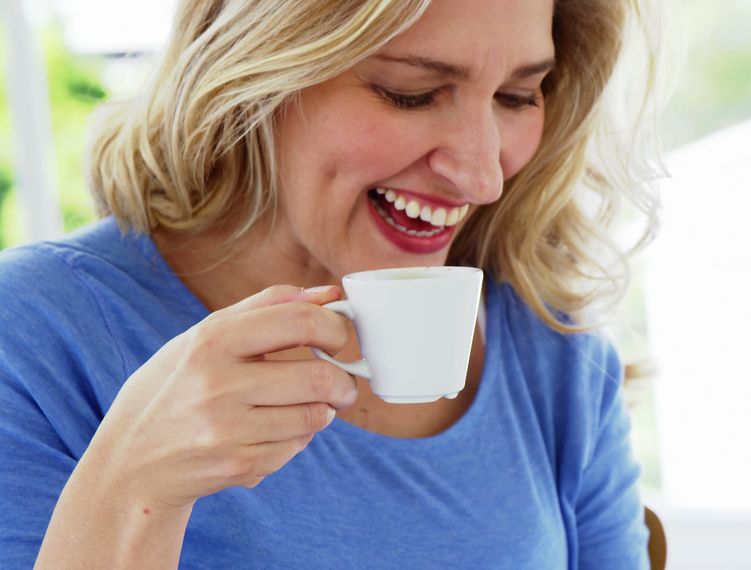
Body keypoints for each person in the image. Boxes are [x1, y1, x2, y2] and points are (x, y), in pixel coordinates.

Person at [0, 0, 662, 567]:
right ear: (261, 69)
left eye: (516, 97)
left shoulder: (553, 354)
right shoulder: (35, 339)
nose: (482, 175)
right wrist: (128, 484)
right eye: (411, 91)